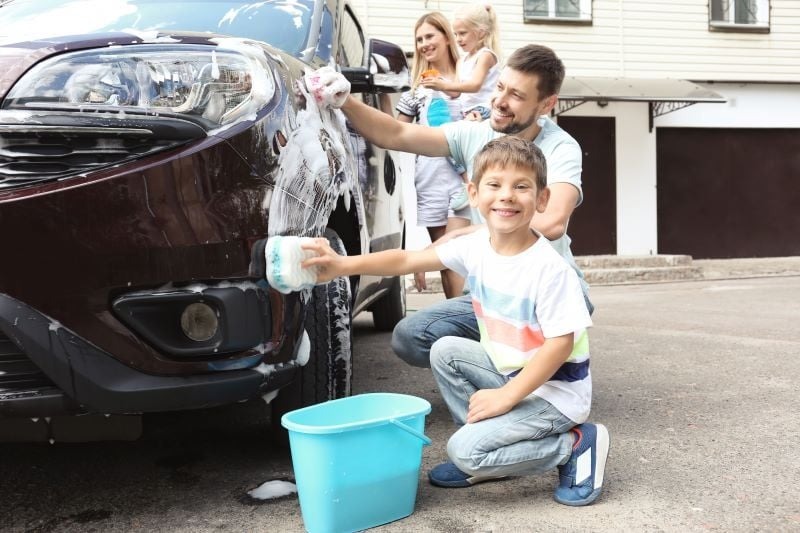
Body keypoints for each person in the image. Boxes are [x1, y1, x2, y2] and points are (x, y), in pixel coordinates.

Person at [300, 136, 609, 506]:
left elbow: (560, 345)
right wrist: (341, 265)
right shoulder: (475, 247)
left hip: (557, 396)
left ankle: (572, 446)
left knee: (464, 451)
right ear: (474, 194)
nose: (506, 196)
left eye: (521, 186)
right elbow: (406, 261)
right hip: (512, 374)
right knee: (446, 350)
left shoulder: (550, 270)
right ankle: (495, 448)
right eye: (495, 185)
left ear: (542, 200)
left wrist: (505, 397)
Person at [326, 43, 591, 367]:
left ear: (547, 103)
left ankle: (540, 373)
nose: (500, 102)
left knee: (536, 349)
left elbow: (551, 223)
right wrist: (345, 100)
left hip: (548, 290)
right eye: (500, 87)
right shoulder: (473, 134)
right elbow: (396, 133)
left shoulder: (561, 147)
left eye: (517, 96)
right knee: (412, 336)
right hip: (494, 291)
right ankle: (506, 367)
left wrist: (471, 234)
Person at [397, 12, 473, 298]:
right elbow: (396, 132)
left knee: (457, 254)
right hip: (429, 180)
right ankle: (457, 320)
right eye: (419, 39)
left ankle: (470, 320)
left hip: (464, 178)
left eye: (429, 36)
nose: (424, 44)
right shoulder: (417, 91)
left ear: (446, 37)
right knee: (445, 262)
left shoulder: (468, 80)